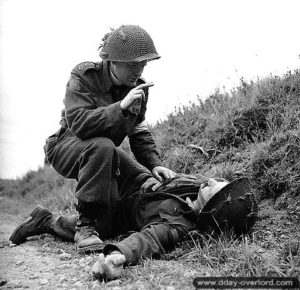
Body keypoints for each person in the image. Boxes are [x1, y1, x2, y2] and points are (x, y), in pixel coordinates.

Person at [10, 149, 258, 281]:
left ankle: (46, 220)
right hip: (137, 182)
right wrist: (157, 172)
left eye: (217, 188)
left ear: (210, 207)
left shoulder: (179, 224)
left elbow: (150, 239)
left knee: (81, 229)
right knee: (106, 149)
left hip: (119, 213)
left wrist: (119, 255)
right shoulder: (198, 185)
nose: (213, 180)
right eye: (221, 182)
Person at [43, 25, 176, 253]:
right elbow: (79, 123)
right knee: (103, 147)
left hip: (102, 155)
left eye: (143, 64)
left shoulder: (139, 88)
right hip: (65, 147)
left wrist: (156, 165)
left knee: (142, 184)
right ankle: (85, 225)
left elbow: (139, 133)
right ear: (113, 61)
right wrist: (121, 107)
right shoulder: (83, 76)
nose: (139, 70)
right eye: (134, 64)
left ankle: (45, 221)